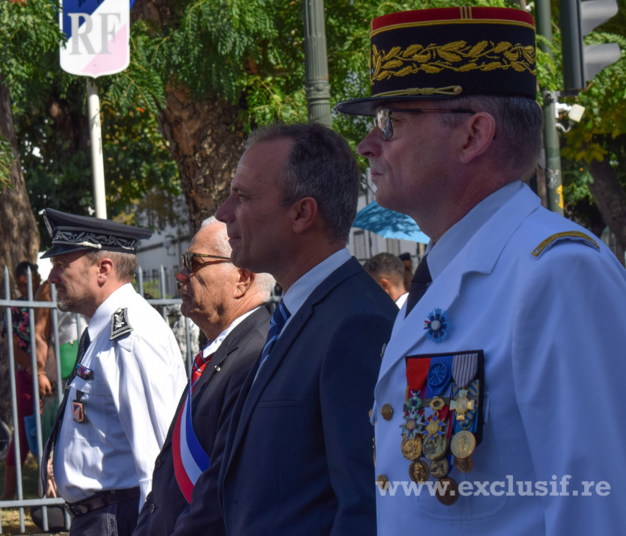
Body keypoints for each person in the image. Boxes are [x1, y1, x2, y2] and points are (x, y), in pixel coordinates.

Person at [336, 6, 626, 534]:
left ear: (472, 136)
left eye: (391, 122)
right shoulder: (442, 279)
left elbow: (597, 507)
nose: (367, 144)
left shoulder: (557, 275)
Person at [214, 123, 397, 535]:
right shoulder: (299, 312)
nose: (224, 212)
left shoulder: (356, 323)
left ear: (302, 213)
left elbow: (365, 509)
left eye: (242, 197)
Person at [38, 209, 187, 536]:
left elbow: (157, 457)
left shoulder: (130, 336)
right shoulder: (104, 332)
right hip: (100, 518)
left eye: (61, 265)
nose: (51, 278)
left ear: (103, 269)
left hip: (119, 520)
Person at [132, 217, 273, 536]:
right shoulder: (218, 353)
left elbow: (217, 491)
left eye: (193, 263)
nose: (181, 275)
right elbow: (166, 472)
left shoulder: (256, 355)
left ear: (242, 278)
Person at [2, 260, 53, 501]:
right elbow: (13, 345)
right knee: (23, 430)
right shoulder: (14, 308)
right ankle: (8, 493)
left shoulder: (50, 298)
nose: (25, 290)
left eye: (28, 284)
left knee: (51, 427)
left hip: (51, 371)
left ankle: (49, 490)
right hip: (26, 373)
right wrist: (35, 370)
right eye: (20, 286)